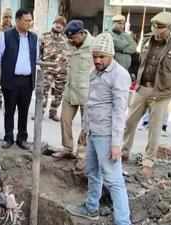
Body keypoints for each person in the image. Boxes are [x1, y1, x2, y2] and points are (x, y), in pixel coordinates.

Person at [66, 33, 132, 225]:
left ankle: (123, 221)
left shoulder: (120, 75)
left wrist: (116, 144)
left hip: (107, 135)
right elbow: (91, 103)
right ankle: (91, 208)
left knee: (114, 180)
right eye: (95, 56)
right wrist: (85, 130)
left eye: (101, 57)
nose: (97, 60)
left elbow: (120, 113)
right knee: (93, 172)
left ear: (111, 55)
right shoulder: (95, 73)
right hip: (94, 132)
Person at [121, 12, 171, 177]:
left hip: (161, 92)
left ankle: (148, 160)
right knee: (130, 121)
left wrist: (168, 88)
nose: (157, 30)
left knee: (154, 128)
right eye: (154, 26)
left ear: (169, 28)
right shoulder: (146, 41)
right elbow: (140, 63)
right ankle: (123, 151)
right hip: (142, 88)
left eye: (161, 27)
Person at [0, 9, 39, 150]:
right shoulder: (5, 36)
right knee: (9, 110)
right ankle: (8, 138)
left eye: (30, 20)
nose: (29, 23)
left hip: (27, 81)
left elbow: (36, 58)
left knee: (24, 111)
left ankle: (22, 138)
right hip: (11, 80)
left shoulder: (34, 38)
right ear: (18, 20)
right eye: (26, 20)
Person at [52, 20, 94, 159]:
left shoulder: (94, 46)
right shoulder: (69, 44)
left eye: (74, 37)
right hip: (70, 90)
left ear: (82, 33)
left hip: (87, 92)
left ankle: (82, 150)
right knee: (65, 119)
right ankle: (67, 148)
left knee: (86, 124)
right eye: (69, 38)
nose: (71, 40)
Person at [39, 16, 69, 122]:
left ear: (64, 27)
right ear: (53, 23)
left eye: (61, 24)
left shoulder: (66, 39)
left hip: (62, 71)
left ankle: (53, 112)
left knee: (59, 93)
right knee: (43, 91)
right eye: (57, 22)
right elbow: (39, 52)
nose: (59, 25)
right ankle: (40, 112)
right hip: (47, 70)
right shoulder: (44, 37)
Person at [0, 8, 14, 110]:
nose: (8, 19)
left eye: (10, 17)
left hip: (11, 61)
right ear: (2, 18)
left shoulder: (15, 30)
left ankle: (8, 101)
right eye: (6, 17)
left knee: (10, 82)